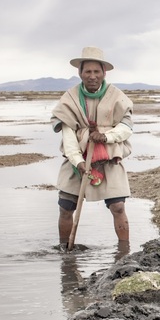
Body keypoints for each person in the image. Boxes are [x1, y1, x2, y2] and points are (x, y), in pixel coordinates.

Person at [52, 46, 133, 250]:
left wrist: (106, 136)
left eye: (97, 72)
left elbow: (126, 127)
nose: (92, 76)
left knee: (118, 206)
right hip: (77, 160)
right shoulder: (69, 99)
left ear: (104, 73)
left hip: (109, 157)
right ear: (80, 73)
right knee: (65, 208)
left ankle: (124, 252)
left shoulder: (117, 96)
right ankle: (65, 251)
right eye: (87, 71)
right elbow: (68, 135)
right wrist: (78, 162)